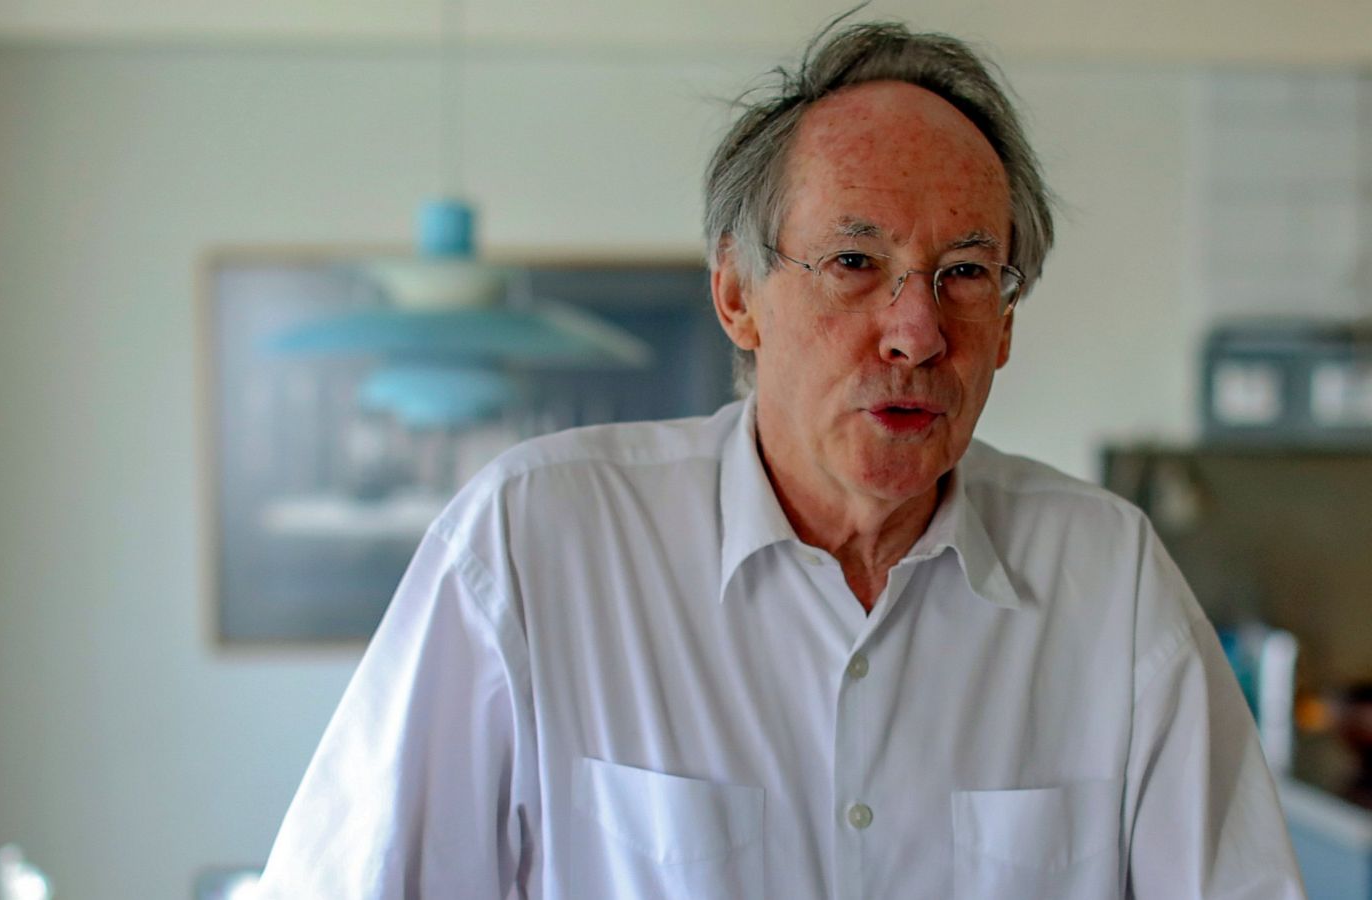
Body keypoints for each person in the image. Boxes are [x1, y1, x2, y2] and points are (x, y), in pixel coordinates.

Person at [256, 18, 1305, 899]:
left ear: (1006, 324)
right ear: (736, 296)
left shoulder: (1110, 582)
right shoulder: (533, 544)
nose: (915, 332)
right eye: (853, 261)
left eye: (965, 272)